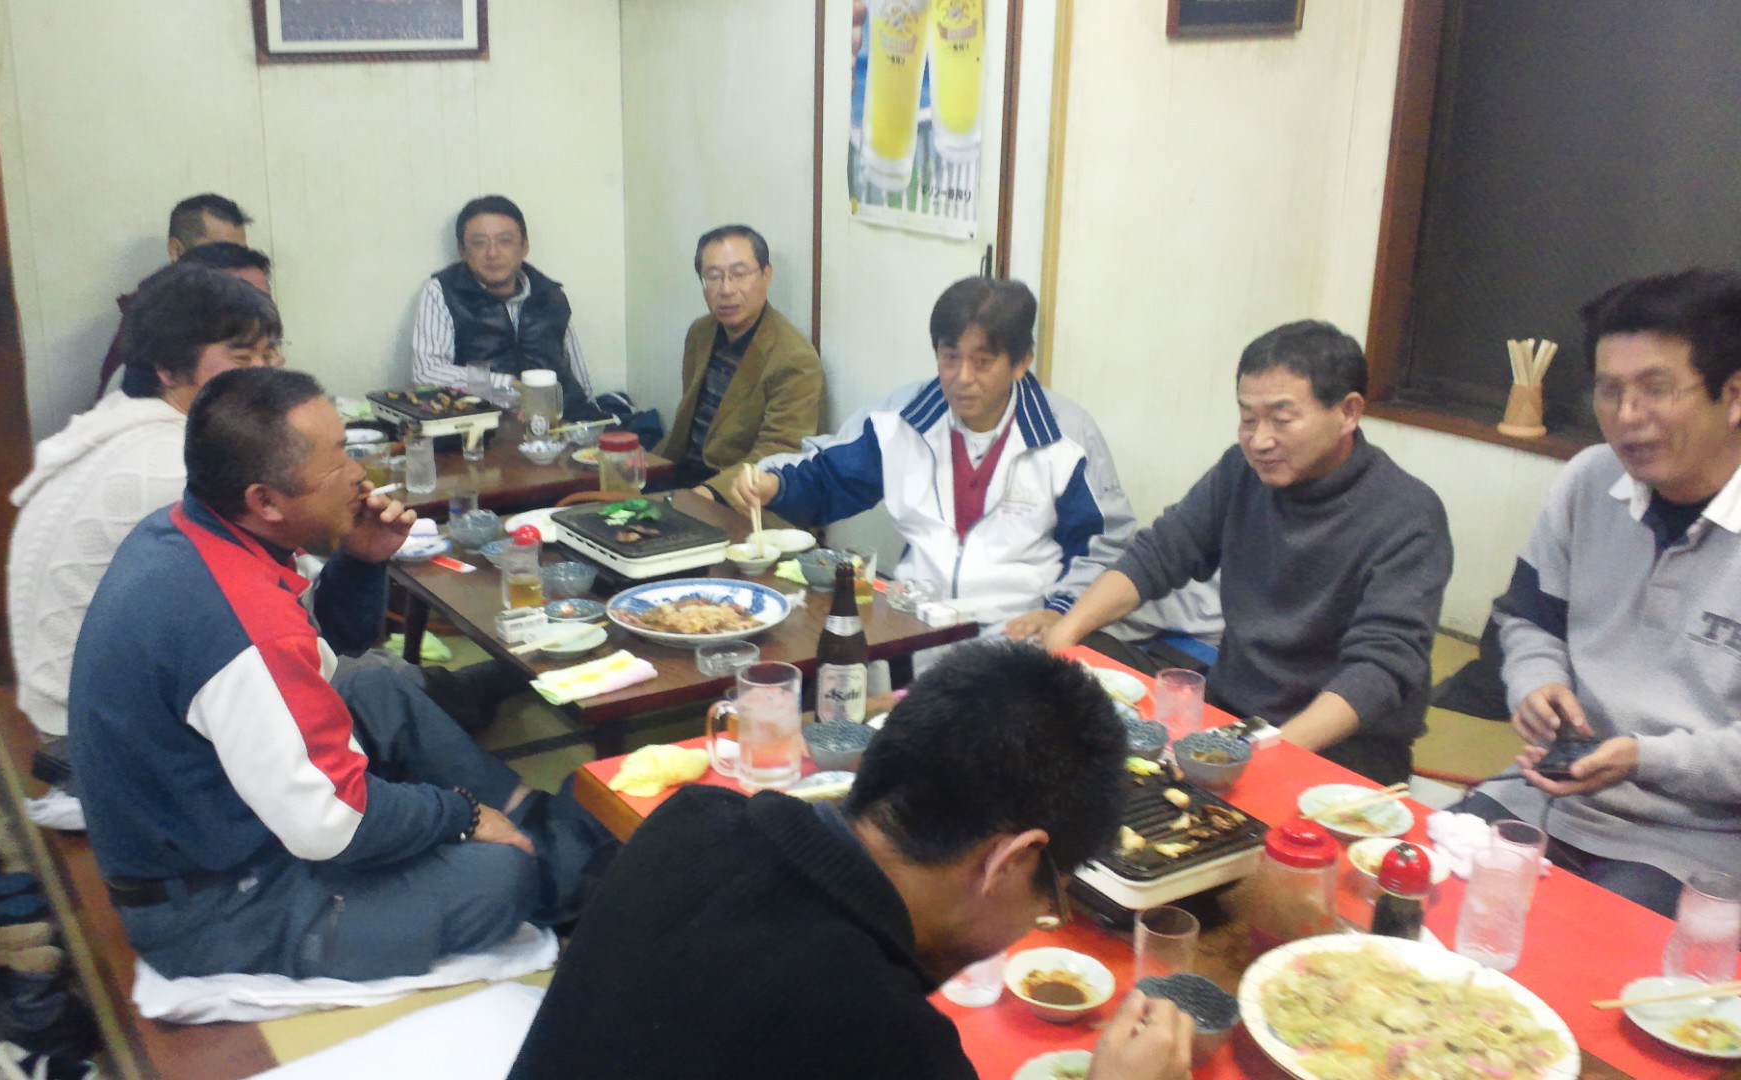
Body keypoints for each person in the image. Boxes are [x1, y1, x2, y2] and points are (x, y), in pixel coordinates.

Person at [68, 368, 610, 979]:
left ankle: (543, 835)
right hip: (220, 906)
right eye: (336, 462)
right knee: (501, 878)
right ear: (265, 500)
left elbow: (328, 648)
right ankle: (551, 862)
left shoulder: (191, 529)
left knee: (374, 687)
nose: (359, 474)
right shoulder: (239, 626)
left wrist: (361, 560)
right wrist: (461, 814)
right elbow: (331, 823)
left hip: (234, 819)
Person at [508, 640, 1192, 1080]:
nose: (1039, 922)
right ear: (1010, 862)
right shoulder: (886, 1039)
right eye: (1052, 899)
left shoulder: (691, 819)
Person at [1039, 321, 1451, 786]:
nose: (1260, 440)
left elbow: (1381, 667)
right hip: (1234, 712)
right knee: (1081, 660)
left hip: (1341, 744)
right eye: (1248, 419)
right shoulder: (1242, 472)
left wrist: (1269, 753)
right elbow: (1159, 552)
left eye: (1282, 419)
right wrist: (1066, 631)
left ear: (1348, 412)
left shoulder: (1407, 514)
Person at [1459, 269, 1741, 916]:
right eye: (1610, 392)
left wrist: (1646, 759)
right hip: (1547, 796)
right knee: (1410, 897)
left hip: (1694, 845)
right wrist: (1534, 682)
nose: (1628, 417)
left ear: (1733, 395)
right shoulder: (1589, 481)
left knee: (1583, 956)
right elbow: (1527, 620)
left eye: (1656, 389)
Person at [731, 276, 1219, 642]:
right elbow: (831, 478)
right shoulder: (904, 417)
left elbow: (1103, 547)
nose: (962, 377)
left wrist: (1061, 612)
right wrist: (775, 485)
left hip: (1018, 637)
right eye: (950, 357)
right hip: (913, 626)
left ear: (1021, 362)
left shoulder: (1065, 437)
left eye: (982, 362)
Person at [10, 264, 283, 742]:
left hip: (62, 701)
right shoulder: (176, 467)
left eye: (270, 353)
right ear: (169, 369)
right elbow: (282, 608)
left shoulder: (116, 420)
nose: (265, 373)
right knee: (371, 688)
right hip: (103, 731)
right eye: (242, 358)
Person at [654, 225, 822, 501]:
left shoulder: (794, 358)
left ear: (766, 274)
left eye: (739, 274)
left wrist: (705, 495)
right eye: (713, 277)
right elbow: (688, 429)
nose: (726, 290)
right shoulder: (701, 332)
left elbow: (778, 451)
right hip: (683, 478)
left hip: (741, 496)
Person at [410, 195, 598, 419]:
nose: (492, 253)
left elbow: (579, 379)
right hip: (483, 426)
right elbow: (427, 372)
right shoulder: (442, 291)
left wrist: (593, 420)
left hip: (558, 421)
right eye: (479, 243)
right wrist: (507, 385)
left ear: (524, 246)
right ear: (462, 251)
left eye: (505, 241)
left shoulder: (549, 294)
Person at [94, 194, 253, 397]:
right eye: (220, 253)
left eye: (241, 255)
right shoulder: (151, 318)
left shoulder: (239, 305)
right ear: (177, 250)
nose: (234, 266)